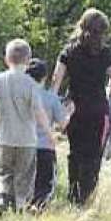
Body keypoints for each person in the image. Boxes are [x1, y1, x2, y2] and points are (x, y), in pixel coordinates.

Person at [52, 8, 111, 206]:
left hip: (75, 108)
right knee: (94, 155)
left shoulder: (68, 50)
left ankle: (73, 194)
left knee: (75, 152)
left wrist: (54, 104)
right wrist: (109, 95)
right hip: (98, 109)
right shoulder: (106, 53)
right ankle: (87, 197)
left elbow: (57, 79)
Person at [0, 39, 54, 212]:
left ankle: (3, 197)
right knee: (24, 175)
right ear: (28, 60)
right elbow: (38, 111)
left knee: (4, 171)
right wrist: (49, 132)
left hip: (5, 136)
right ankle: (20, 205)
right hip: (26, 139)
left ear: (6, 59)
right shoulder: (31, 83)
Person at [26, 58, 70, 209]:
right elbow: (63, 124)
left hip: (24, 146)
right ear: (45, 77)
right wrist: (70, 112)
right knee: (45, 187)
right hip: (45, 147)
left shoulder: (21, 96)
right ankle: (38, 211)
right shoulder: (51, 98)